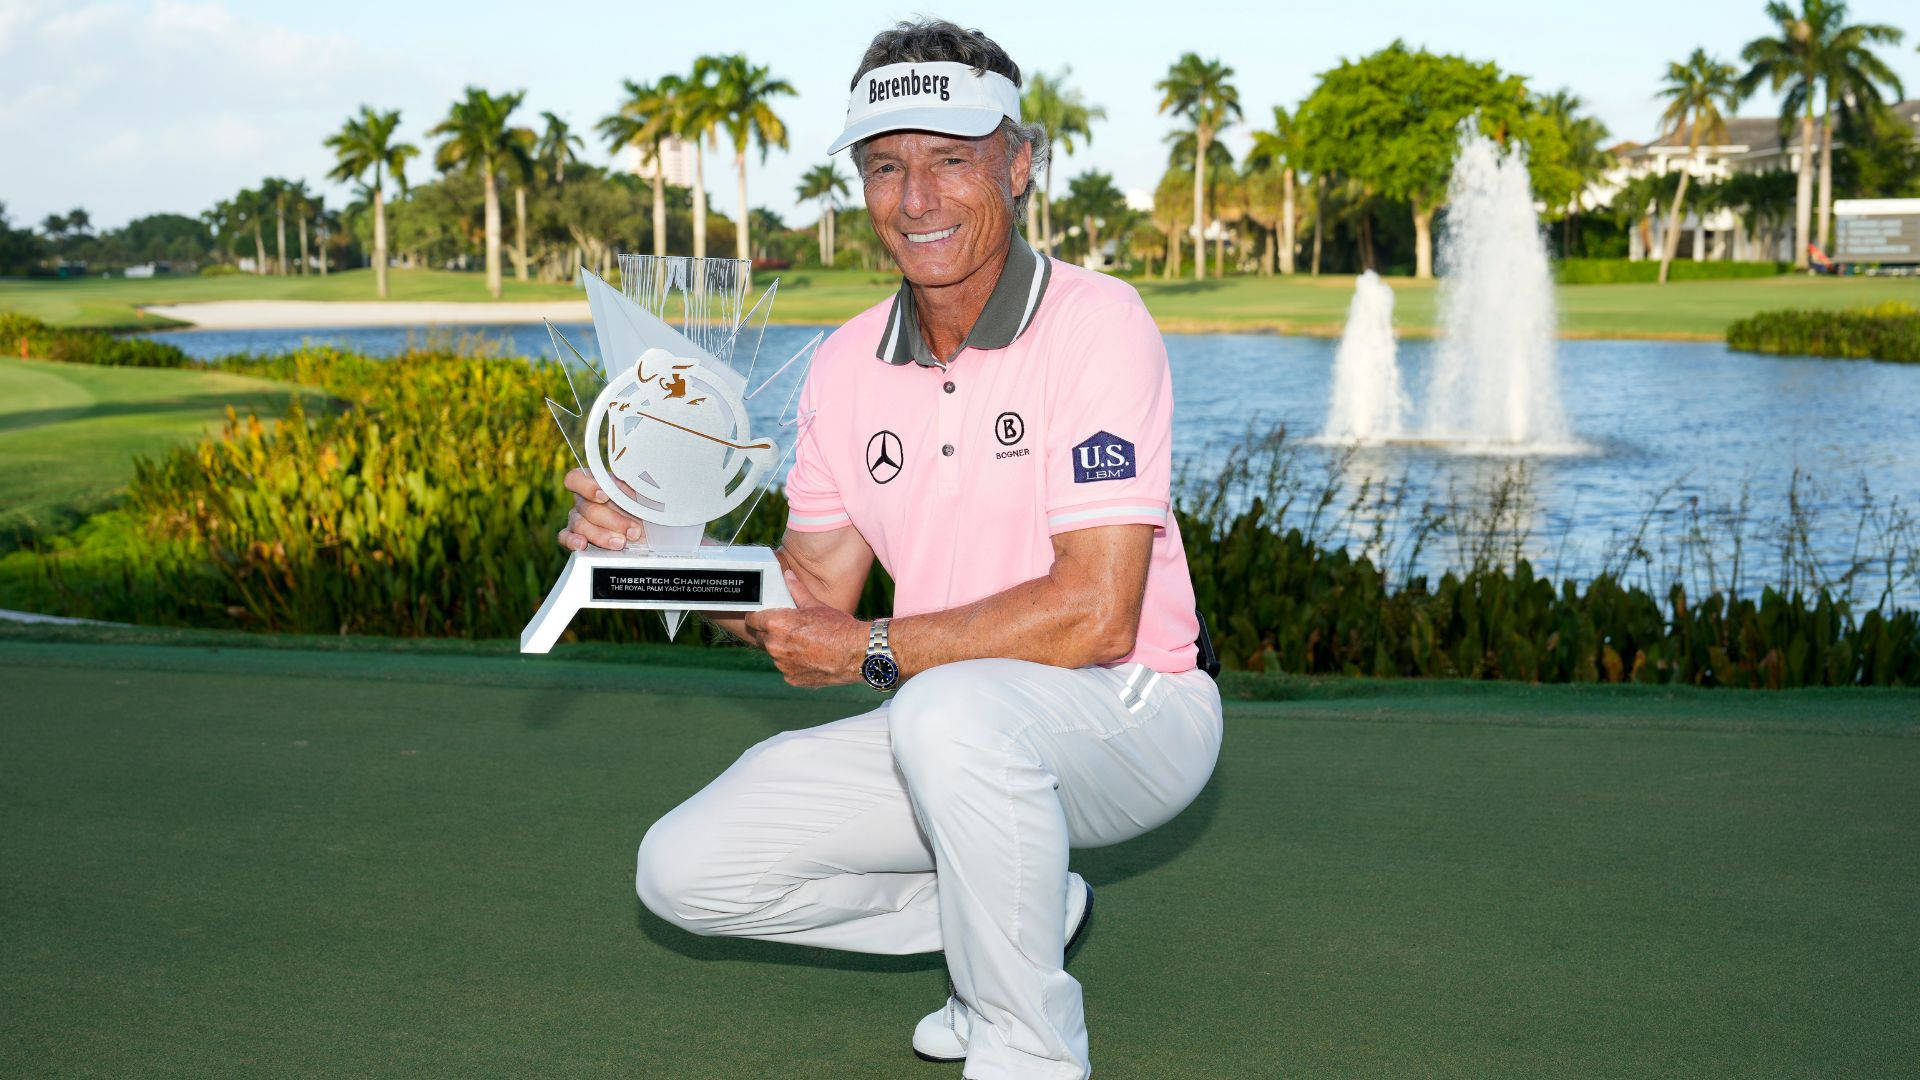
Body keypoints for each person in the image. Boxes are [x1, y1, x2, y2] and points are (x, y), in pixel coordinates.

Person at [556, 18, 1223, 1079]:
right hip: (943, 723)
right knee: (682, 871)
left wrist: (870, 651)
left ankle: (1026, 1045)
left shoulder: (1100, 322)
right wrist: (660, 542)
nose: (915, 199)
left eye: (950, 160)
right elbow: (810, 593)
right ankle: (1010, 910)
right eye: (885, 166)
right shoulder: (846, 363)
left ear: (1018, 162)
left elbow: (1097, 611)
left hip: (1132, 710)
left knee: (949, 710)